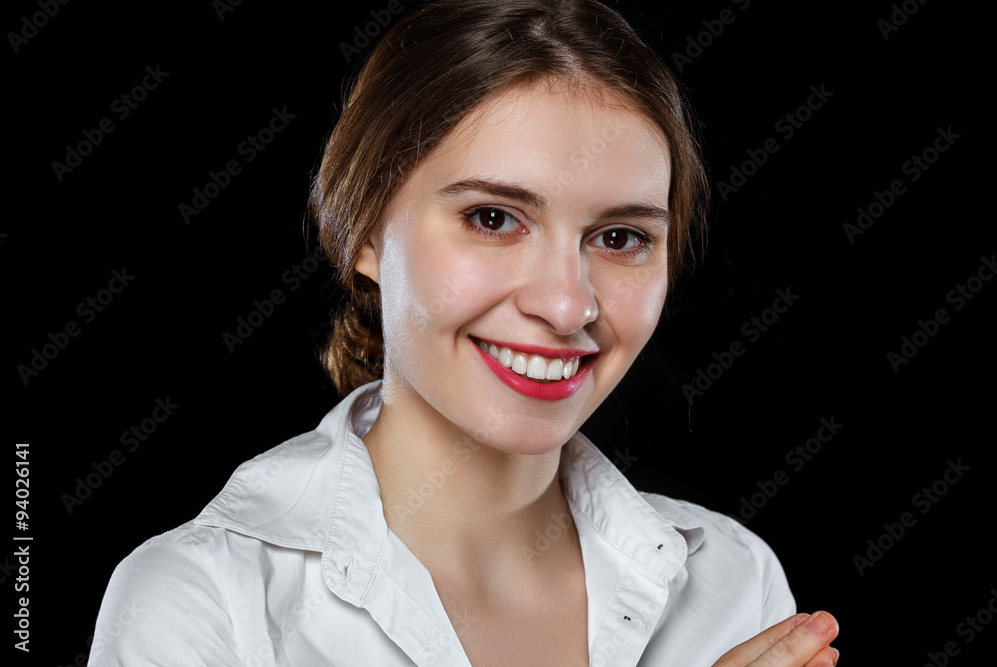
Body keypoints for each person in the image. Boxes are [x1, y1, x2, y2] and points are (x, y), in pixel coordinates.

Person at [89, 0, 840, 664]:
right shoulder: (203, 601)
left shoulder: (735, 583)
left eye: (619, 238)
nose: (566, 304)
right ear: (365, 231)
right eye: (493, 218)